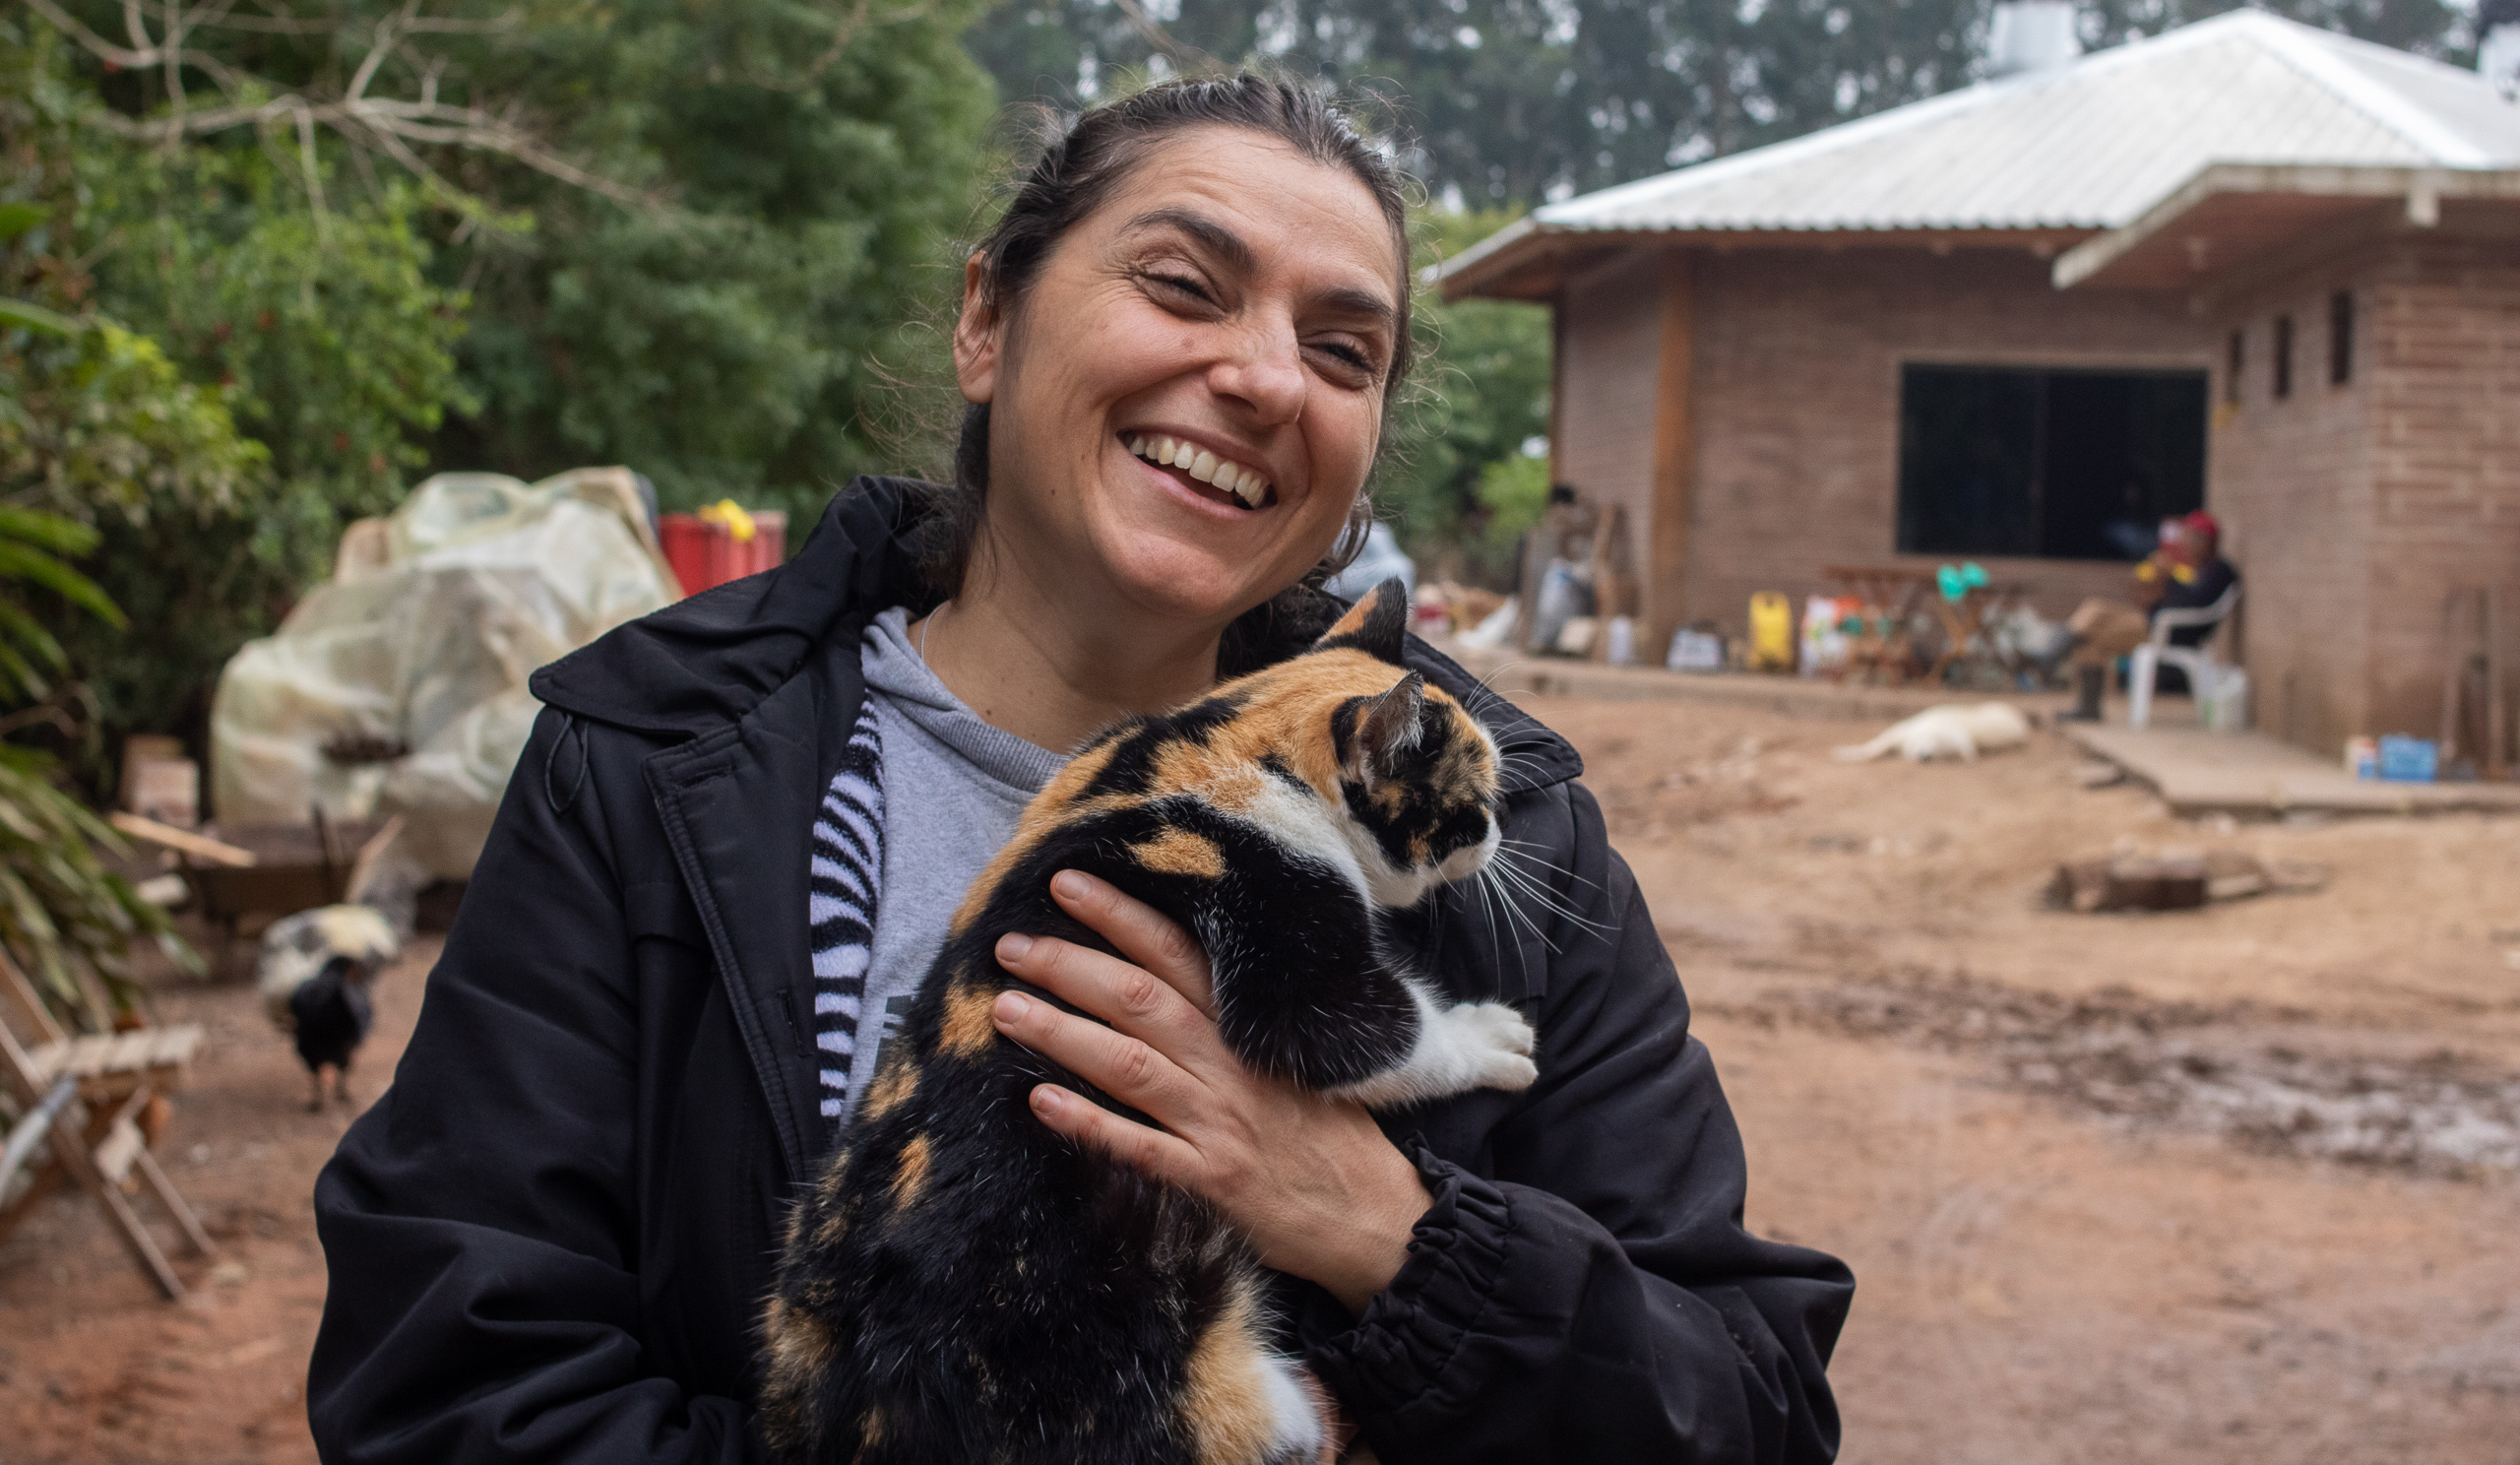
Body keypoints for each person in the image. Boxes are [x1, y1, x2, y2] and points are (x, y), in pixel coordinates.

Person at [305, 74, 1854, 1464]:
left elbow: (1748, 1397)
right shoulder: (657, 766)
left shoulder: (1507, 831)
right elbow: (449, 1376)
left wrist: (1398, 1231)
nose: (1263, 378)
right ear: (988, 321)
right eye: (1184, 285)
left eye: (1342, 348)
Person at [2052, 510, 2240, 720]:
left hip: (2169, 632)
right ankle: (2082, 699)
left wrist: (2170, 578)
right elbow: (2149, 598)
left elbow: (2193, 605)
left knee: (2091, 629)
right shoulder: (2187, 567)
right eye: (2186, 536)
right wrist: (2157, 581)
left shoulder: (2218, 570)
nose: (2187, 543)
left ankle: (2052, 654)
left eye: (2193, 537)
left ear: (2207, 541)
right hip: (2153, 620)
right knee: (2094, 610)